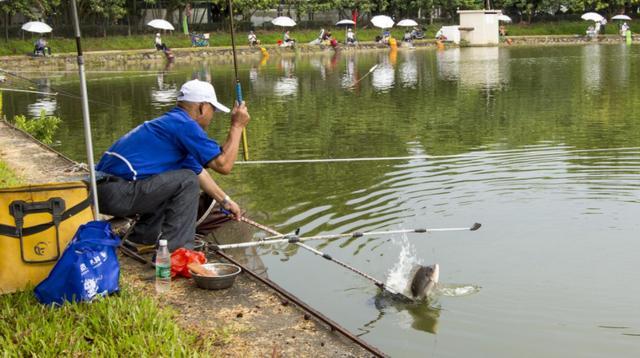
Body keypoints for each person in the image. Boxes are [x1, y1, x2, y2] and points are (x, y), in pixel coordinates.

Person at [95, 79, 251, 252]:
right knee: (187, 181)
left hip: (102, 192)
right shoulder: (185, 125)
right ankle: (178, 252)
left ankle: (142, 238)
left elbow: (198, 172)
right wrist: (237, 127)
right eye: (212, 109)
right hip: (116, 193)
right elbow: (224, 165)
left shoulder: (170, 123)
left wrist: (225, 201)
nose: (212, 115)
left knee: (181, 177)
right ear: (202, 107)